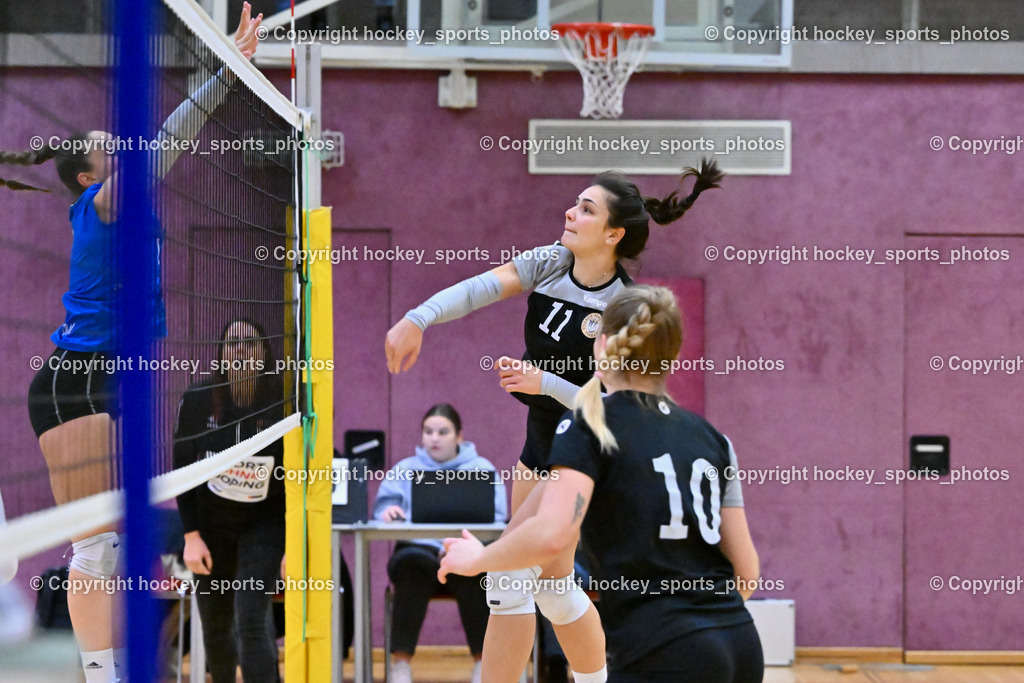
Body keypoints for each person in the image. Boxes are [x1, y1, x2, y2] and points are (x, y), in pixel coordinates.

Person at [385, 161, 722, 681]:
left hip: (587, 455)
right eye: (575, 204)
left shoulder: (624, 306)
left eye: (586, 209)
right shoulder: (550, 262)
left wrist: (546, 383)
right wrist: (419, 317)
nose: (569, 212)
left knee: (507, 579)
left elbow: (615, 404)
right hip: (540, 445)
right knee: (550, 587)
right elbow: (480, 288)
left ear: (613, 234)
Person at [15, 7, 262, 682]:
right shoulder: (101, 205)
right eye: (110, 147)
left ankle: (108, 669)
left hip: (110, 380)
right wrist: (223, 72)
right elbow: (163, 147)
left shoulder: (129, 210)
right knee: (94, 547)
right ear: (88, 176)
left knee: (106, 545)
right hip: (75, 381)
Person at [439, 285, 763, 683]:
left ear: (603, 345)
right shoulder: (714, 440)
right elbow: (746, 573)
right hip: (739, 641)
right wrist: (703, 624)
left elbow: (550, 536)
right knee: (553, 589)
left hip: (664, 649)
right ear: (672, 355)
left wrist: (479, 559)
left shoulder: (590, 424)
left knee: (524, 583)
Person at [173, 317, 285, 683]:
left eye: (250, 343)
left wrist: (293, 545)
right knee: (215, 625)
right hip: (210, 527)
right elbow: (182, 469)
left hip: (264, 526)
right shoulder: (199, 398)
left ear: (264, 353)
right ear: (222, 353)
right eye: (233, 343)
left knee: (250, 618)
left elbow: (298, 478)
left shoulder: (283, 398)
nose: (241, 350)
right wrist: (191, 536)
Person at [373, 403, 507, 683]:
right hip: (416, 552)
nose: (434, 438)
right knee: (410, 568)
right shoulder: (405, 469)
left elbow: (498, 520)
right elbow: (383, 508)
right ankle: (400, 666)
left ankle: (483, 665)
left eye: (443, 432)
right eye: (428, 431)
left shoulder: (483, 469)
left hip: (465, 551)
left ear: (459, 436)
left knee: (477, 573)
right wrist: (387, 512)